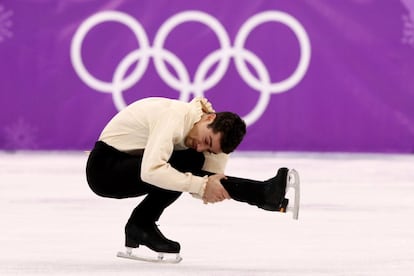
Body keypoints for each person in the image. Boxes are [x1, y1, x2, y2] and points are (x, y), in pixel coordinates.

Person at [86, 97, 293, 258]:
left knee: (192, 160)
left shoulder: (205, 132)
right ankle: (140, 224)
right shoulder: (174, 116)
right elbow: (151, 171)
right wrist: (202, 186)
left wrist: (207, 184)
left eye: (210, 149)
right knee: (188, 161)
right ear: (209, 117)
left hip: (130, 163)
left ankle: (265, 195)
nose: (201, 146)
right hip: (105, 169)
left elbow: (208, 181)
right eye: (205, 140)